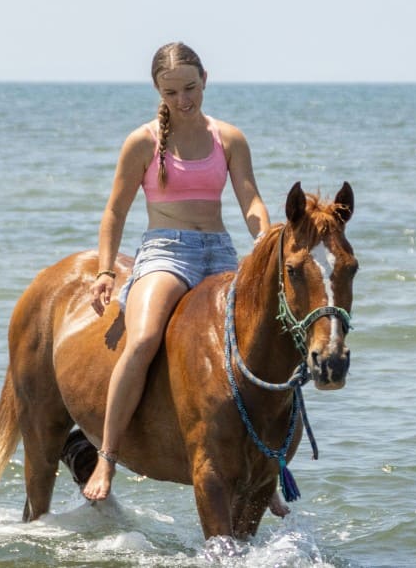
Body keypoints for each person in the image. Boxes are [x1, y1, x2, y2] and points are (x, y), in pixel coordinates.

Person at [83, 42, 272, 503]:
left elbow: (250, 199)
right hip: (166, 252)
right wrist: (105, 270)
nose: (183, 99)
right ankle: (106, 456)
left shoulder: (229, 138)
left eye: (190, 87)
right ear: (157, 90)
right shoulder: (143, 141)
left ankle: (266, 467)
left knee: (259, 347)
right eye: (171, 92)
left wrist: (265, 242)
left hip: (220, 251)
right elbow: (115, 211)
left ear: (205, 79)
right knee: (144, 338)